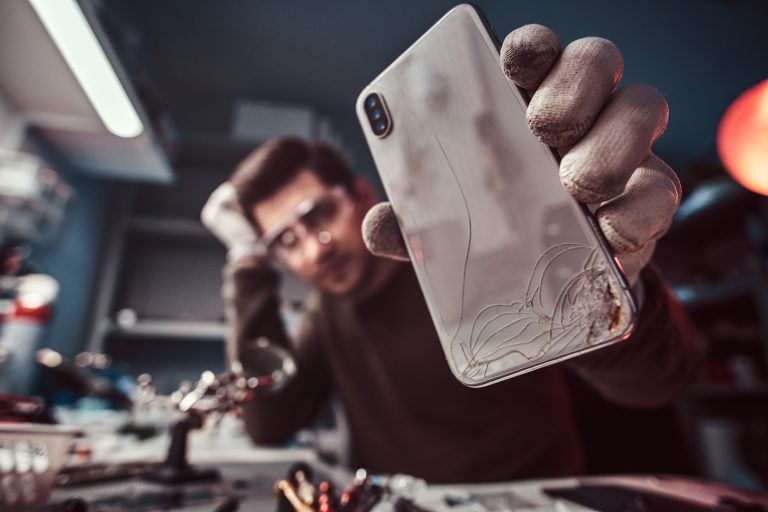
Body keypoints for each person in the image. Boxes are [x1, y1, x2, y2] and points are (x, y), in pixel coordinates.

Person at [202, 25, 701, 483]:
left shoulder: (472, 251)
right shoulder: (326, 314)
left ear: (360, 194)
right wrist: (246, 261)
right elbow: (267, 422)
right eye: (285, 242)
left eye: (317, 216)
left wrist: (613, 287)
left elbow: (662, 380)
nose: (315, 249)